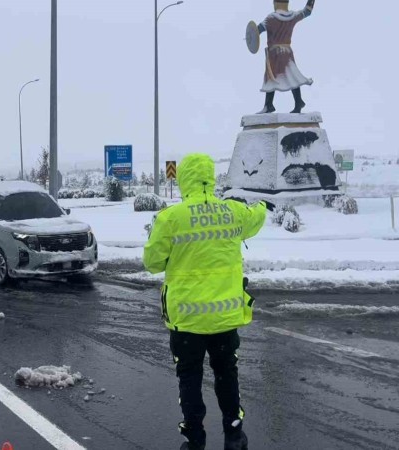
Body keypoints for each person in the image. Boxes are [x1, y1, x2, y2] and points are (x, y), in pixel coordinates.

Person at [143, 154, 272, 450]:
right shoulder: (234, 212)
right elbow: (256, 219)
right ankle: (234, 434)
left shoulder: (171, 218)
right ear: (211, 178)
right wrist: (264, 206)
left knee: (189, 378)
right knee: (227, 375)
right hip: (226, 318)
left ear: (184, 178)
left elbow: (152, 262)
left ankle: (195, 439)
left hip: (187, 321)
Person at [257, 0, 316, 114]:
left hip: (274, 54)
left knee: (272, 77)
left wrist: (250, 35)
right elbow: (307, 12)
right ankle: (296, 101)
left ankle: (270, 105)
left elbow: (257, 30)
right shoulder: (292, 16)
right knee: (291, 75)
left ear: (276, 3)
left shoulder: (271, 18)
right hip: (287, 52)